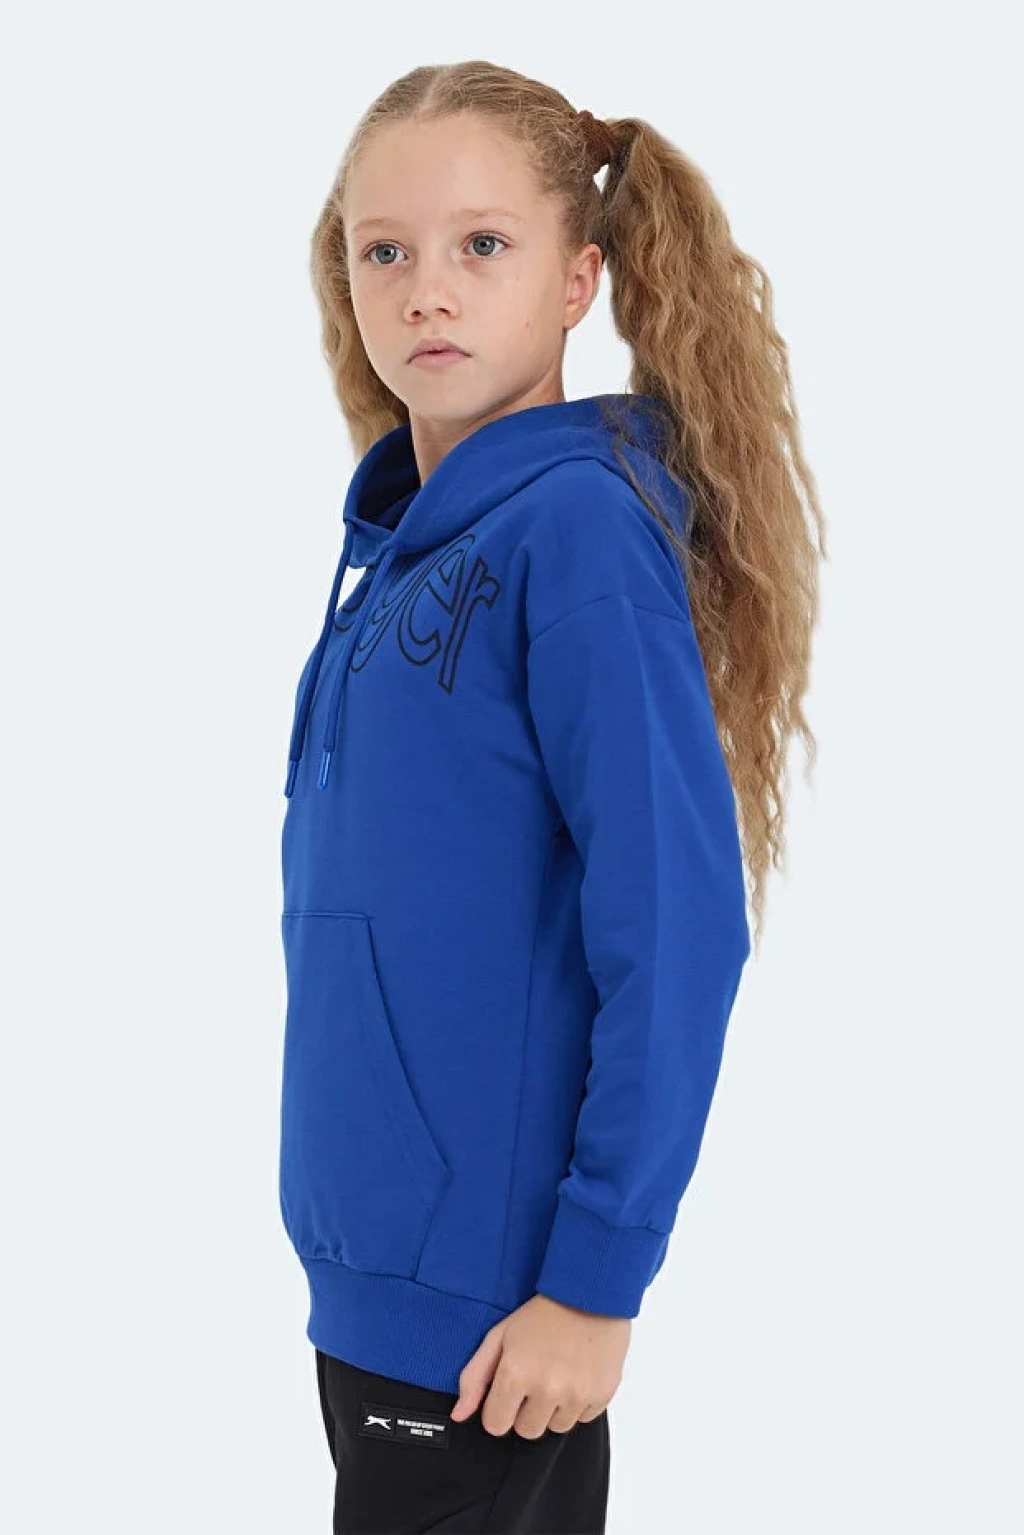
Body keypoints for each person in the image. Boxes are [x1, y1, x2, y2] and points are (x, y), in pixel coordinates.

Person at [277, 58, 825, 1535]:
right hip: (378, 1283)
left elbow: (678, 929)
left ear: (580, 279)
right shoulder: (408, 549)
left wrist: (593, 1283)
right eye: (384, 251)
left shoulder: (575, 531)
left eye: (482, 245)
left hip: (496, 1310)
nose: (426, 292)